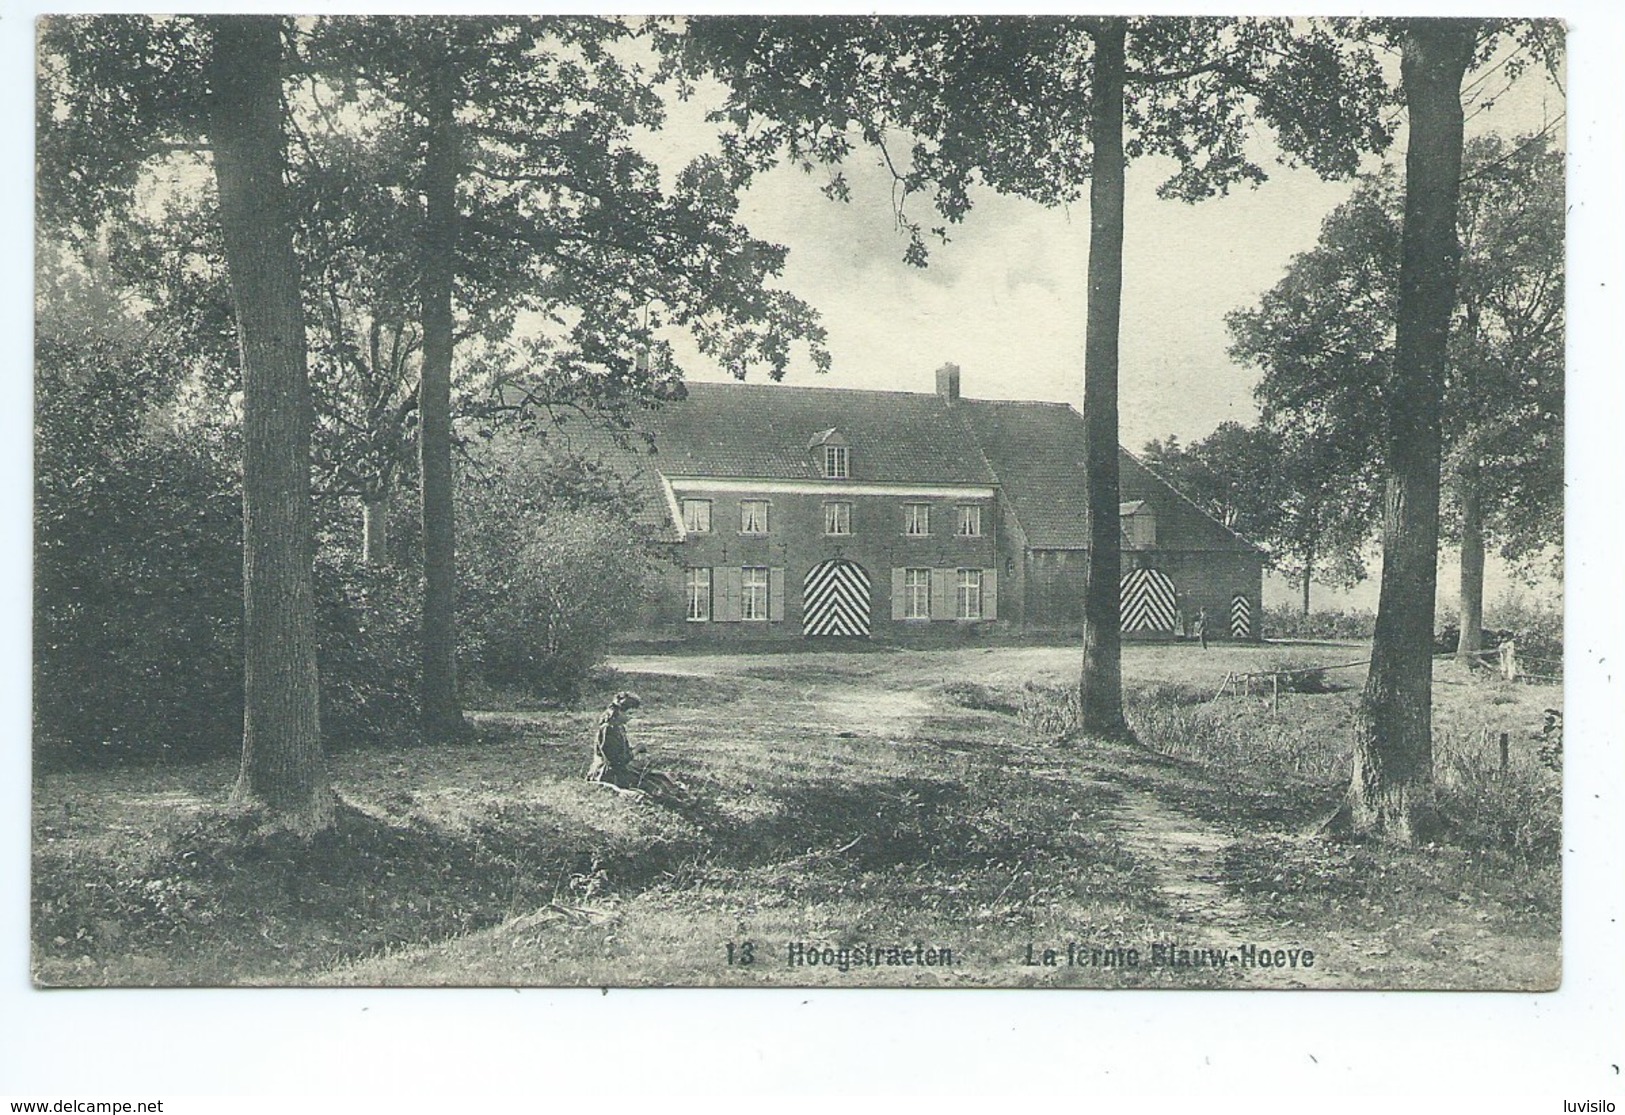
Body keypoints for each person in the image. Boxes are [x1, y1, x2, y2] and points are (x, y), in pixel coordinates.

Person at [586, 691, 683, 799]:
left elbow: (621, 753)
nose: (631, 718)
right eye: (630, 714)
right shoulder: (608, 729)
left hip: (619, 770)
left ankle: (684, 799)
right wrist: (636, 750)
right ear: (619, 711)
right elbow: (615, 761)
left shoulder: (619, 727)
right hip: (607, 774)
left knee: (661, 779)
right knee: (651, 791)